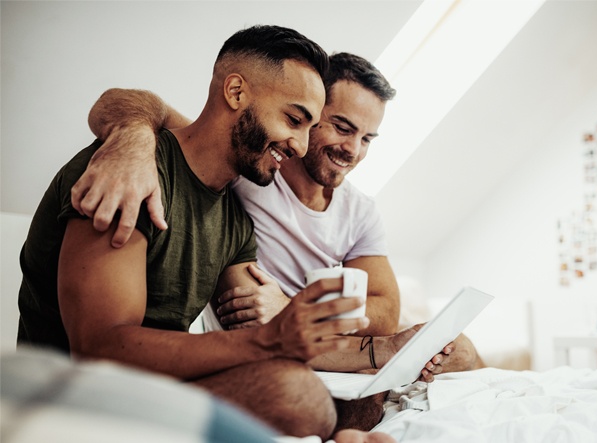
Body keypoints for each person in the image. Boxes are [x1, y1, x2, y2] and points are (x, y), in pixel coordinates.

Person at [16, 25, 394, 442]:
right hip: (73, 398)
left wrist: (384, 352)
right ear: (235, 92)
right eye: (294, 119)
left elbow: (266, 328)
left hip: (158, 391)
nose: (301, 146)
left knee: (362, 399)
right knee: (295, 394)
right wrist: (268, 343)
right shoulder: (129, 171)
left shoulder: (234, 216)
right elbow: (98, 349)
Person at [70, 52, 485, 431]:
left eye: (367, 139)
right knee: (320, 394)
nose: (352, 150)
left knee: (459, 351)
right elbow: (148, 110)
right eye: (341, 127)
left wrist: (299, 313)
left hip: (306, 334)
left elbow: (385, 309)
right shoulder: (251, 168)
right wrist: (132, 139)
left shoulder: (355, 209)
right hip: (259, 344)